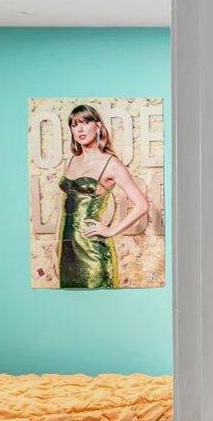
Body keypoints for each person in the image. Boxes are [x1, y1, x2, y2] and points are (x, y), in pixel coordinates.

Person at [57, 104, 151, 289]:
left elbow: (142, 204)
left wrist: (111, 231)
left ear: (98, 125)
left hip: (92, 251)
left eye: (84, 123)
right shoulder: (72, 161)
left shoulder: (111, 164)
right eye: (74, 125)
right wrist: (56, 248)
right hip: (67, 251)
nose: (80, 129)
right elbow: (65, 208)